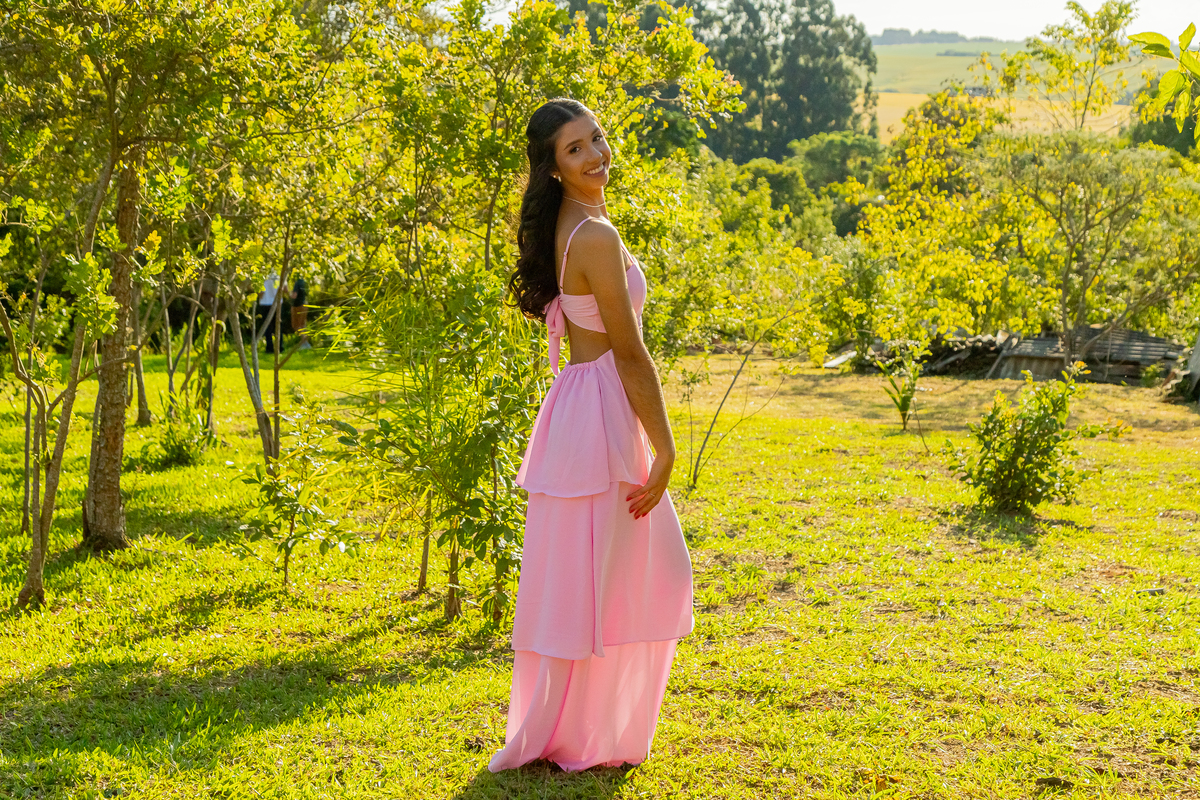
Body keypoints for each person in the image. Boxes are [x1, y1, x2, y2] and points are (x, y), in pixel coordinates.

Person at [490, 99, 692, 773]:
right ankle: (582, 733)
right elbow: (629, 351)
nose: (595, 155)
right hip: (601, 402)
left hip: (584, 400)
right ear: (553, 169)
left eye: (597, 139)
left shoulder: (577, 221)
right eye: (574, 149)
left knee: (602, 573)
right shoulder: (593, 235)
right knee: (630, 573)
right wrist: (665, 446)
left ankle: (591, 728)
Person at [256, 272, 284, 351]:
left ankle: (269, 347)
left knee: (267, 326)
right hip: (277, 302)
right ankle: (279, 346)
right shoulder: (279, 273)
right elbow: (284, 289)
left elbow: (261, 292)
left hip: (265, 302)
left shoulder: (261, 273)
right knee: (278, 325)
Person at [290, 274, 311, 350]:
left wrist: (289, 293)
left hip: (298, 306)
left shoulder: (297, 283)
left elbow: (294, 295)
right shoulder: (304, 281)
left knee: (297, 326)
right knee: (303, 325)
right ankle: (305, 343)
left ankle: (304, 342)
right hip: (305, 304)